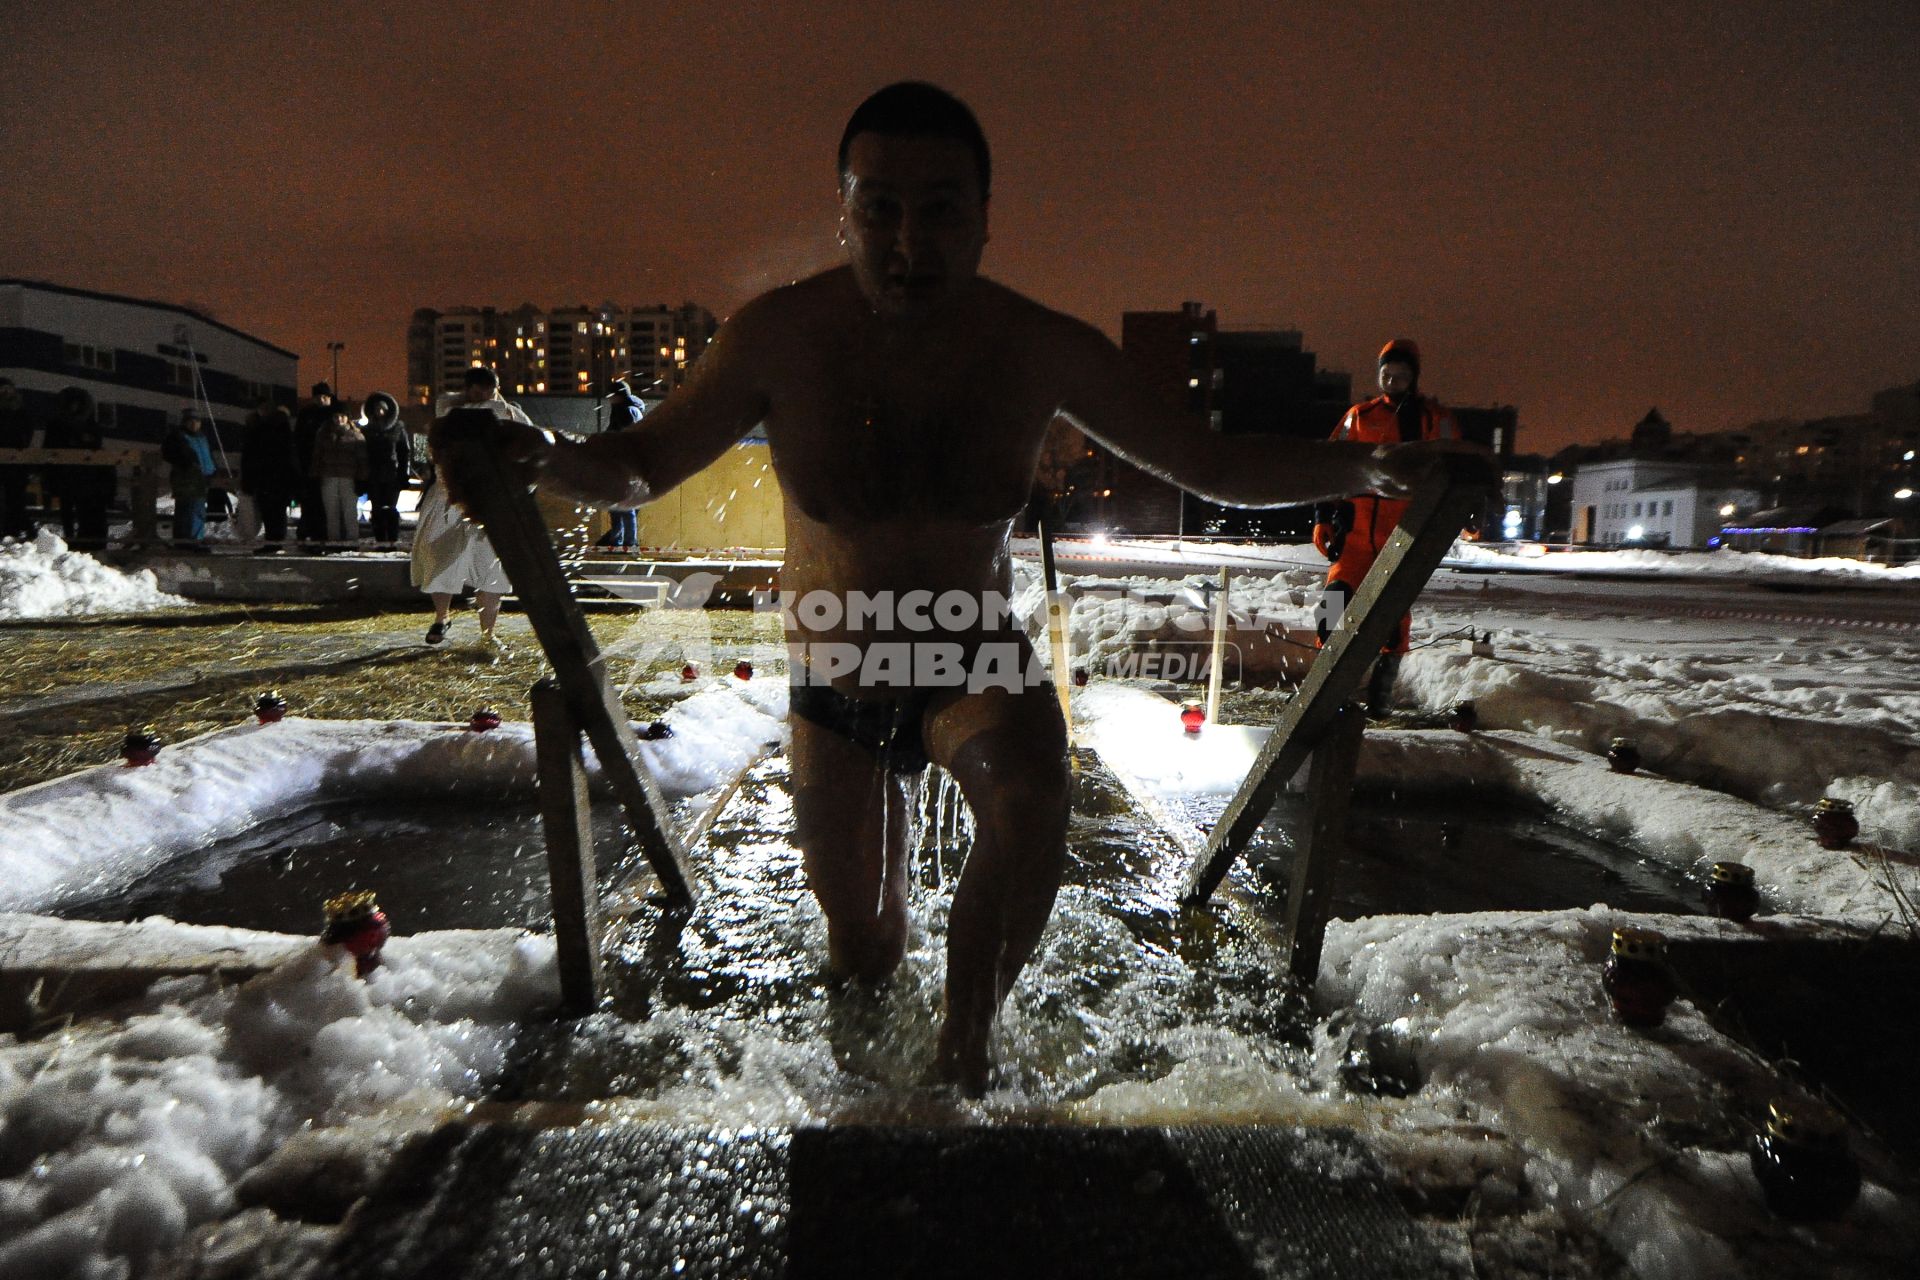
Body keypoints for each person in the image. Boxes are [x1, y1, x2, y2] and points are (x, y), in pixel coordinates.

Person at [487, 82, 1482, 1092]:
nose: (907, 238)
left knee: (1029, 790)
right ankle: (872, 1074)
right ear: (842, 212)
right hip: (838, 671)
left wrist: (1365, 469)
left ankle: (964, 1059)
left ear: (985, 220)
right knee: (866, 952)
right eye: (879, 206)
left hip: (971, 647)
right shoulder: (779, 337)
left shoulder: (1035, 346)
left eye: (940, 207)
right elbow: (643, 463)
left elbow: (1205, 461)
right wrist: (540, 454)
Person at [1312, 339, 1458, 717]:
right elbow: (1330, 466)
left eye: (1401, 375)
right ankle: (1322, 687)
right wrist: (1323, 517)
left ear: (1414, 378)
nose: (1393, 381)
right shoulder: (1358, 417)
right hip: (1356, 536)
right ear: (1378, 374)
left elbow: (1454, 468)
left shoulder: (1433, 419)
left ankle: (1381, 695)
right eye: (1387, 374)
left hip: (1403, 538)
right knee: (1331, 605)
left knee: (1392, 618)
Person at [411, 366, 524, 650]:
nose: (483, 397)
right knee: (440, 555)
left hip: (492, 497)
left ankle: (488, 632)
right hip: (450, 494)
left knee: (492, 564)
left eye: (488, 391)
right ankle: (441, 618)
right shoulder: (450, 409)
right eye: (476, 391)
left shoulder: (511, 412)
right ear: (467, 390)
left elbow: (529, 443)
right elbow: (448, 421)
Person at [43, 387, 114, 548]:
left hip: (85, 477)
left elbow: (96, 446)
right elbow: (49, 448)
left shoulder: (90, 424)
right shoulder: (56, 424)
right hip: (65, 475)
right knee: (67, 509)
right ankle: (70, 540)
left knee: (84, 510)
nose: (73, 407)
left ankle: (84, 541)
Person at [241, 403, 300, 549]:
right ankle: (276, 542)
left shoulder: (261, 431)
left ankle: (272, 541)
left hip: (265, 480)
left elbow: (250, 457)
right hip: (279, 481)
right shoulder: (285, 434)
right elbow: (292, 460)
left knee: (269, 513)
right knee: (278, 513)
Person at [308, 407, 367, 548]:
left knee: (350, 511)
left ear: (347, 417)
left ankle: (352, 541)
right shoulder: (323, 435)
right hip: (329, 477)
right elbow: (317, 457)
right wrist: (315, 474)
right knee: (331, 511)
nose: (339, 419)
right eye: (336, 416)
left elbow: (362, 460)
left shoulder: (356, 435)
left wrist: (362, 479)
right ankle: (333, 541)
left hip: (348, 478)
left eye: (342, 416)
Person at [361, 391, 411, 550]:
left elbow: (404, 452)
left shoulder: (397, 428)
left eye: (383, 408)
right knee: (376, 509)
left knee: (391, 508)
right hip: (373, 474)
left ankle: (392, 539)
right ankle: (380, 539)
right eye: (377, 409)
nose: (380, 412)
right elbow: (362, 453)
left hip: (392, 474)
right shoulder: (367, 430)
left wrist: (404, 474)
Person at [160, 407, 216, 548]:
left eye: (196, 421)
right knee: (186, 509)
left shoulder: (202, 438)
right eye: (190, 421)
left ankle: (194, 540)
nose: (194, 424)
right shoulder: (178, 436)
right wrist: (186, 463)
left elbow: (207, 457)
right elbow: (169, 453)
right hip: (186, 478)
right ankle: (185, 541)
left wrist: (212, 470)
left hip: (201, 478)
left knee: (197, 510)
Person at [599, 378, 644, 551]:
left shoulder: (626, 411)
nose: (609, 399)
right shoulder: (625, 409)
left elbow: (629, 439)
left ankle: (627, 544)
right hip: (626, 465)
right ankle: (620, 542)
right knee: (620, 505)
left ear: (618, 396)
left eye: (611, 395)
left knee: (624, 506)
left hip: (626, 466)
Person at [293, 382, 337, 551]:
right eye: (319, 397)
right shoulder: (306, 415)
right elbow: (298, 440)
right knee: (310, 504)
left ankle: (322, 538)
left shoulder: (333, 414)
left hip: (328, 468)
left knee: (326, 505)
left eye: (325, 397)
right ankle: (307, 536)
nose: (322, 400)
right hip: (309, 467)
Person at [0, 378, 38, 540]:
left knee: (15, 499)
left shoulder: (20, 412)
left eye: (8, 389)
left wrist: (20, 446)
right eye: (3, 390)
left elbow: (27, 432)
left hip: (16, 464)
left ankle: (15, 531)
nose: (6, 393)